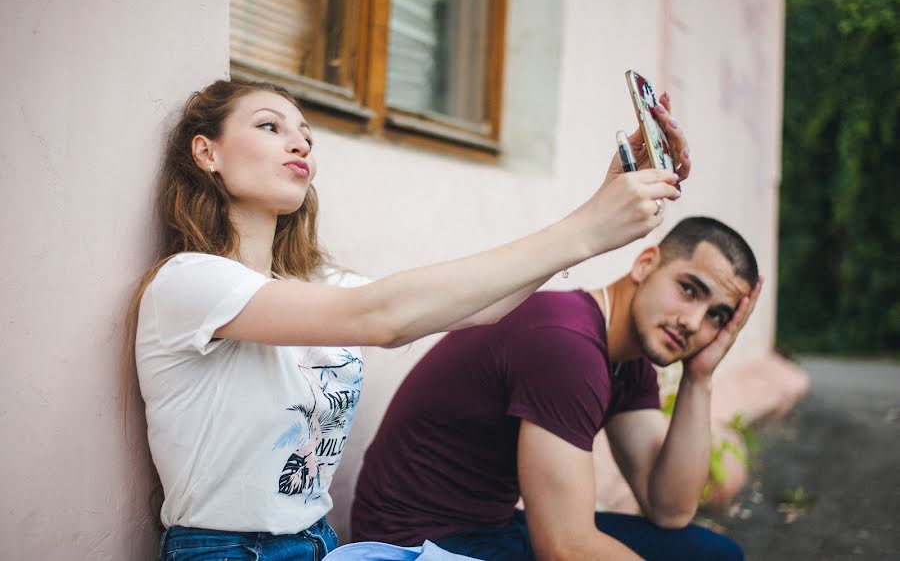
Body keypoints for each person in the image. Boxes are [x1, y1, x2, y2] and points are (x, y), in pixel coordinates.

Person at [126, 78, 688, 560]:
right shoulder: (190, 284)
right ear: (207, 153)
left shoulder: (319, 286)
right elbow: (382, 319)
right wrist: (586, 227)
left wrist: (598, 209)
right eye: (271, 126)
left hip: (321, 542)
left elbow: (478, 305)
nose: (298, 141)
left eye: (305, 134)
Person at [352, 216, 763, 561]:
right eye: (689, 290)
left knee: (712, 554)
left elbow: (669, 508)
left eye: (716, 316)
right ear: (645, 264)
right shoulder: (568, 346)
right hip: (414, 545)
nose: (693, 322)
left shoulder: (630, 359)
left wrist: (699, 377)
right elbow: (565, 547)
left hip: (491, 530)